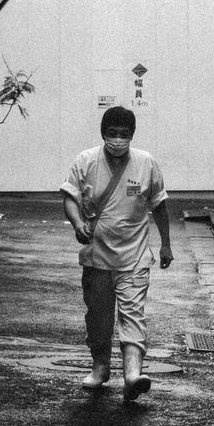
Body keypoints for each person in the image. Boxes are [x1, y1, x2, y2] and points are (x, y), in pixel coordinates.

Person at [60, 105, 173, 401]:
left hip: (134, 257)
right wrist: (77, 223)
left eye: (124, 134)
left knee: (133, 314)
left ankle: (133, 374)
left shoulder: (146, 163)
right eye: (112, 134)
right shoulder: (86, 161)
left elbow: (159, 205)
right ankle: (100, 368)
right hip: (97, 257)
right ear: (103, 133)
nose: (118, 140)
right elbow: (70, 197)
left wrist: (166, 244)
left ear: (132, 135)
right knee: (98, 317)